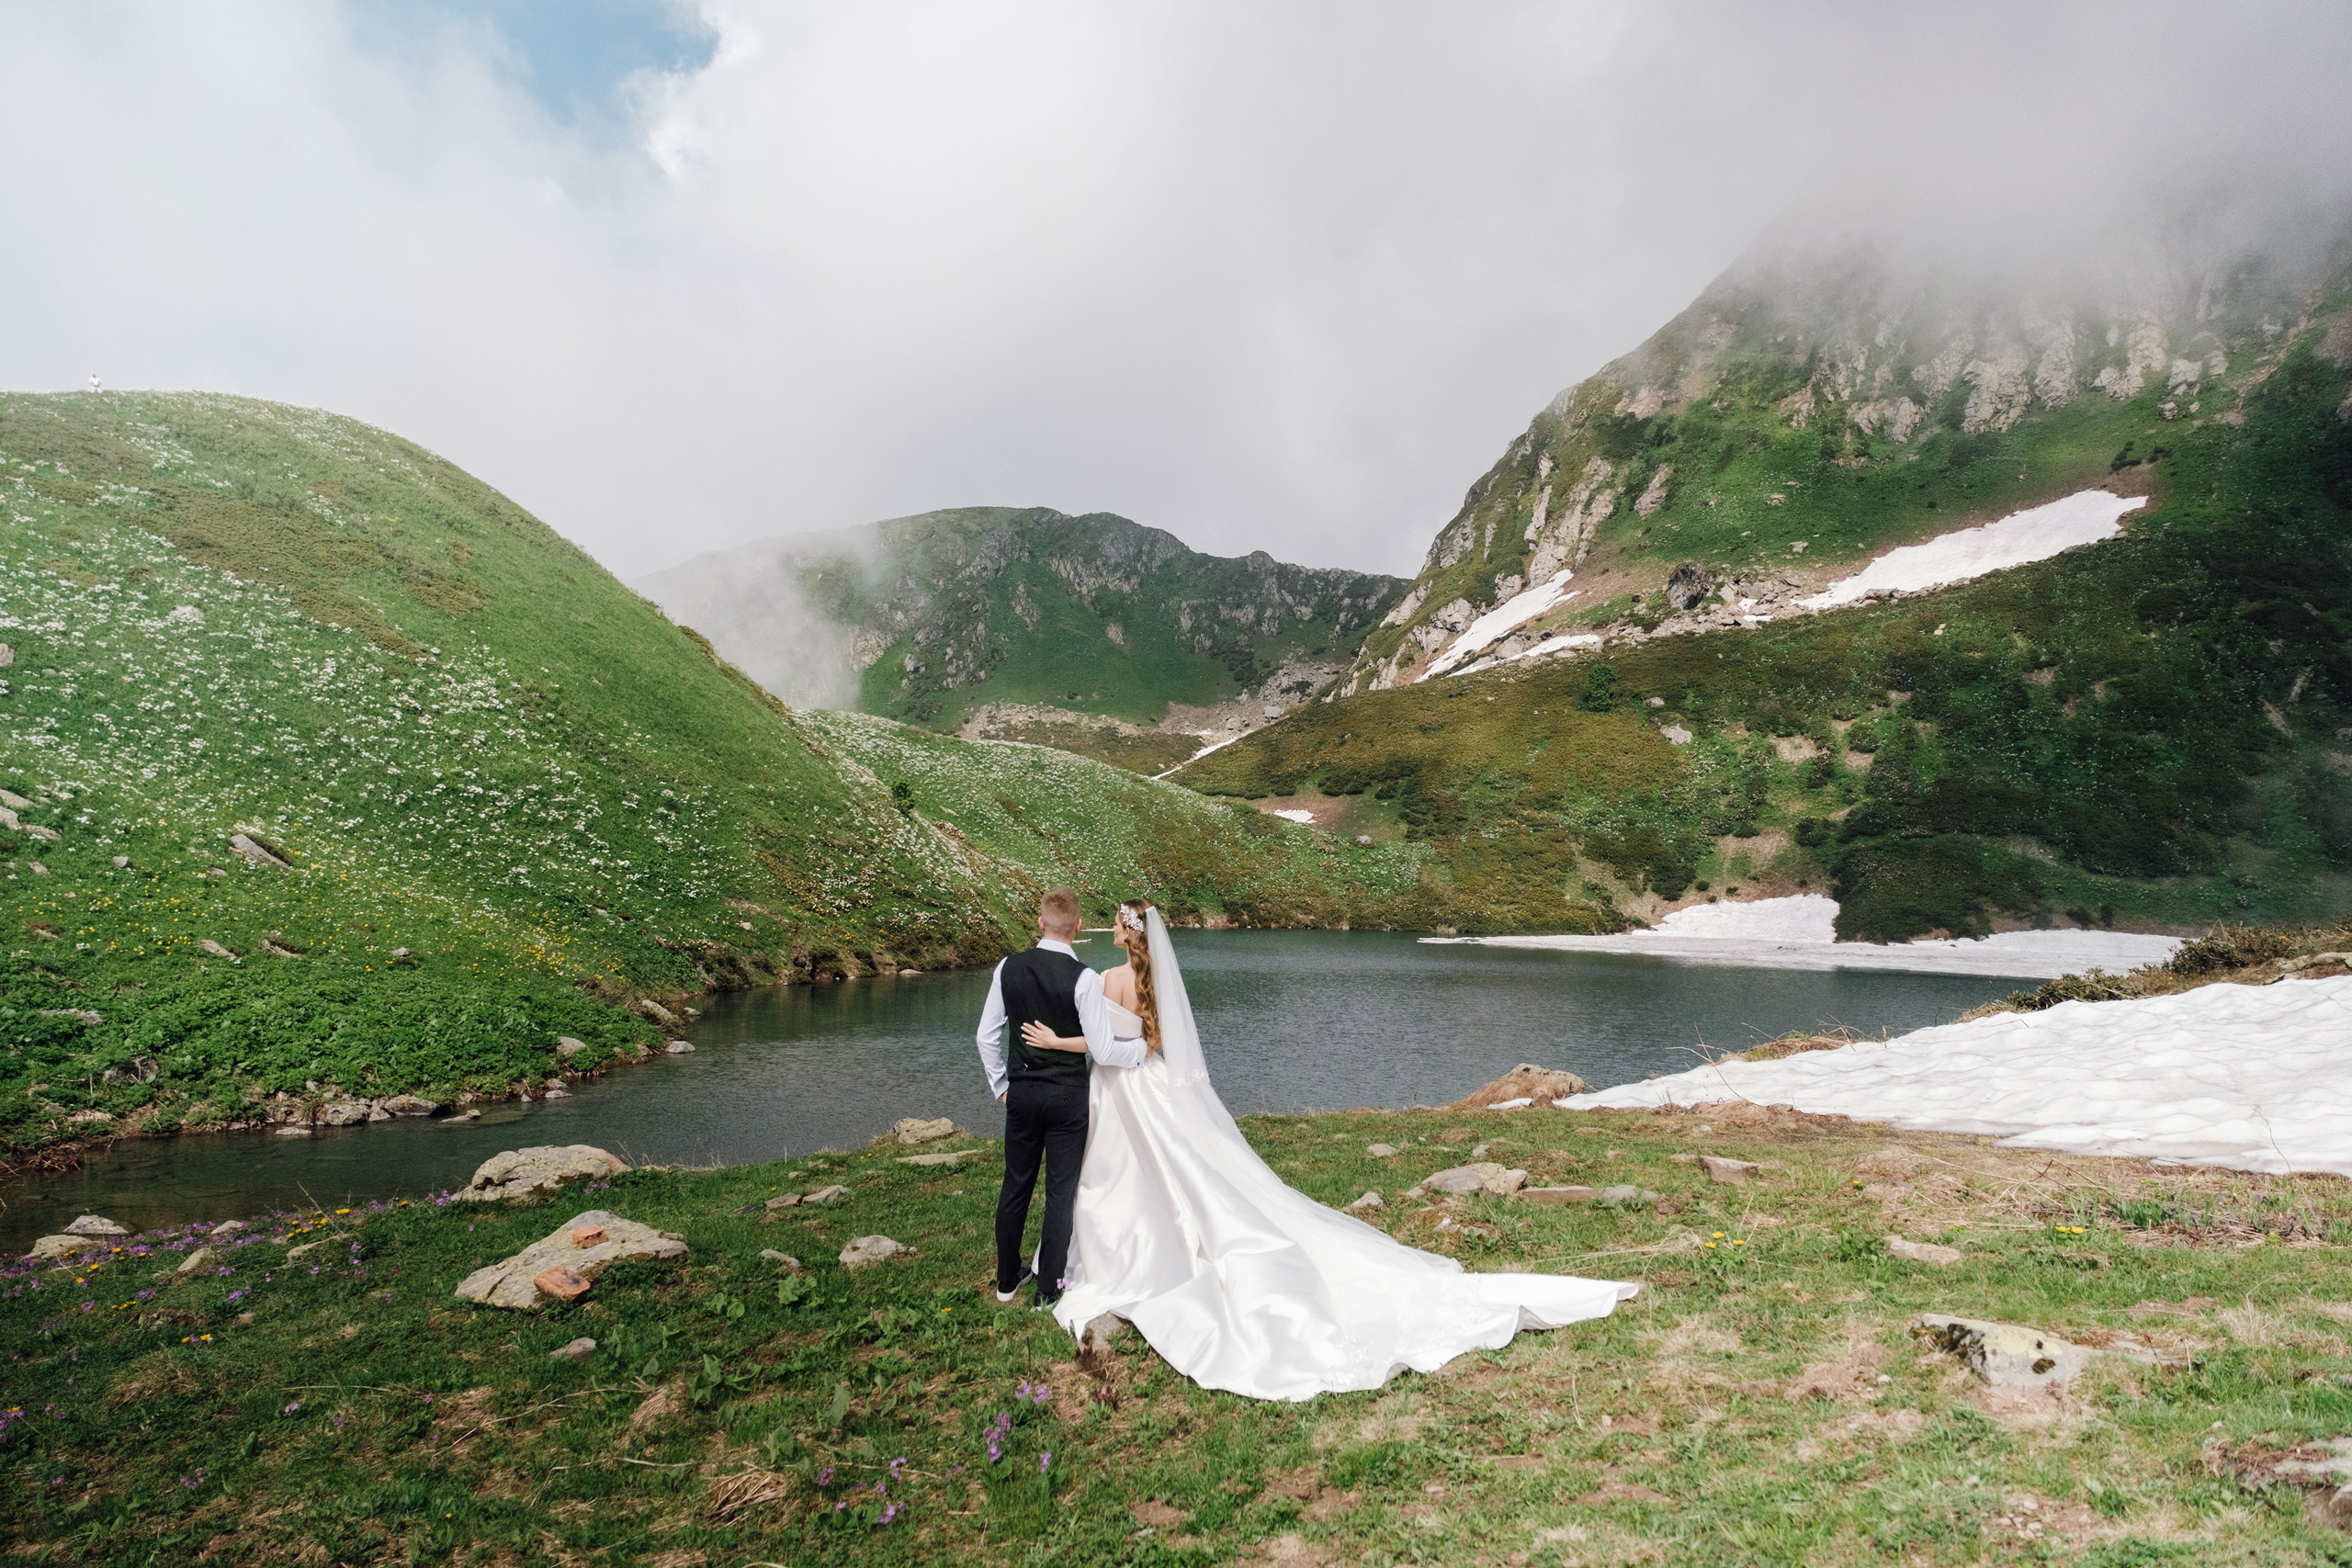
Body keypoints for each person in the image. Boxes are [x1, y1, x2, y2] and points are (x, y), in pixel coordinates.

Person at [1019, 898, 1636, 1402]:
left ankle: (1111, 1259)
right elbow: (1147, 1043)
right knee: (1175, 1170)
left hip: (1118, 1092)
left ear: (1122, 934)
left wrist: (1052, 1039)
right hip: (1151, 1085)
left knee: (1115, 1177)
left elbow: (1102, 1046)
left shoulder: (1104, 978)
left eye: (1117, 923)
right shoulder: (1152, 985)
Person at [974, 887, 1146, 1308]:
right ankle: (1048, 1289)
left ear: (1039, 923)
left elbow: (986, 1035)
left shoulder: (1007, 968)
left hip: (1023, 1093)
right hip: (1069, 1098)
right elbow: (1104, 1051)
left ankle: (1006, 1281)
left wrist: (1002, 1085)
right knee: (1060, 1191)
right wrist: (1140, 1052)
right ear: (1078, 926)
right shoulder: (1085, 978)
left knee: (1016, 1184)